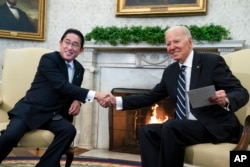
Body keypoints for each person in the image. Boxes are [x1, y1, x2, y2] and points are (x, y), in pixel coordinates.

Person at [105, 25, 249, 167]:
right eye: (168, 44)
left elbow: (241, 92)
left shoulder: (211, 62)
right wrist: (116, 100)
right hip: (185, 127)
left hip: (213, 125)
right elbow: (151, 96)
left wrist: (226, 100)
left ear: (190, 42)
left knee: (172, 126)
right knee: (147, 131)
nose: (171, 47)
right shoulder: (170, 72)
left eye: (176, 41)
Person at [0, 28, 108, 166]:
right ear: (60, 43)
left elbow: (71, 91)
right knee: (10, 136)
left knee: (68, 131)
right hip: (31, 110)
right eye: (67, 42)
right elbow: (61, 85)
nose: (70, 47)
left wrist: (77, 101)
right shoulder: (49, 59)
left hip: (53, 114)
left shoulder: (79, 69)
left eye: (75, 44)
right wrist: (96, 95)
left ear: (81, 50)